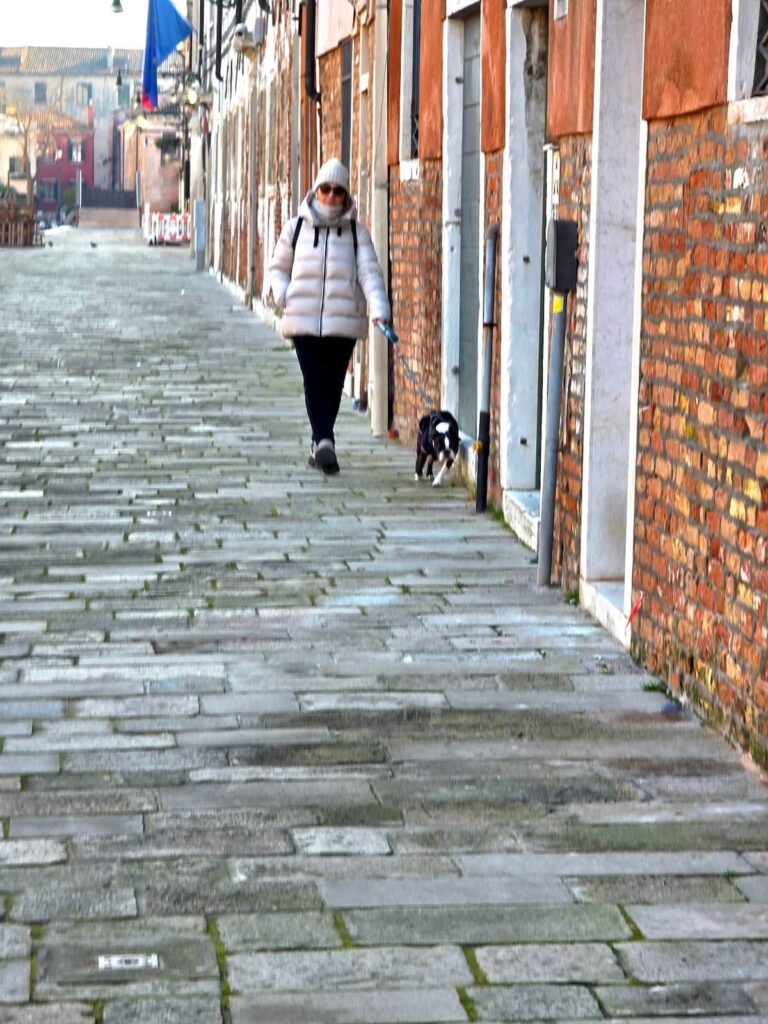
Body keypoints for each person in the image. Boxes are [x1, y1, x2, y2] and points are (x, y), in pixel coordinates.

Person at [269, 158, 391, 475]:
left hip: (343, 322)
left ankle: (319, 442)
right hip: (303, 318)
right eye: (326, 189)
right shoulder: (295, 228)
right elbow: (277, 268)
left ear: (346, 196)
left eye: (338, 191)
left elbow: (370, 274)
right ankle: (325, 440)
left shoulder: (356, 233)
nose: (331, 196)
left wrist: (379, 310)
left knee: (334, 383)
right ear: (316, 190)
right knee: (313, 380)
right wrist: (285, 295)